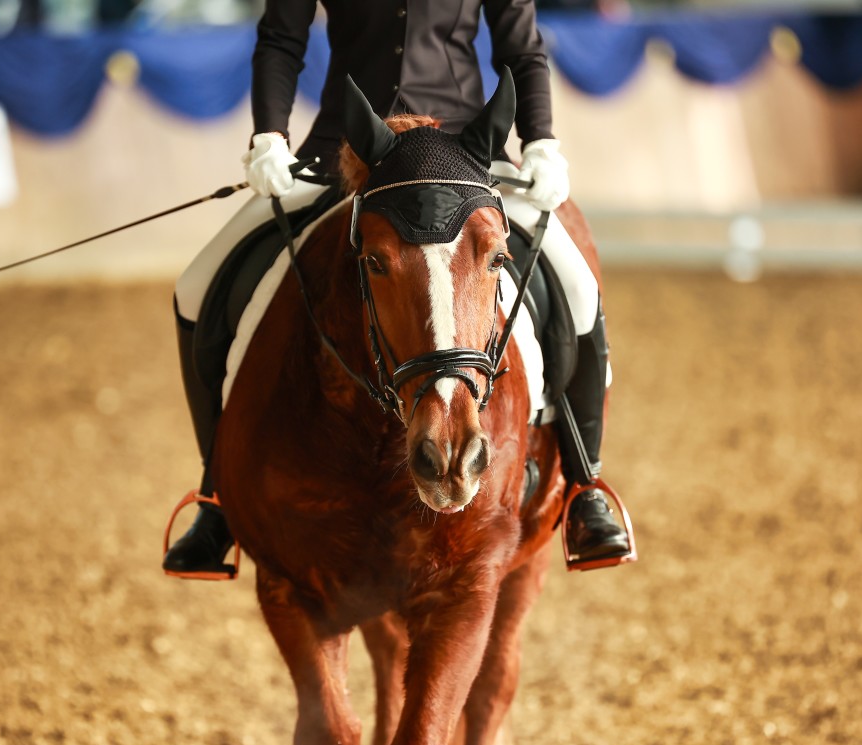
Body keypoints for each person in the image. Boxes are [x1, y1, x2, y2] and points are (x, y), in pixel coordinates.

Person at [164, 0, 632, 578]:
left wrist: (540, 143)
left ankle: (585, 486)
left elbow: (522, 47)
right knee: (197, 286)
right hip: (347, 148)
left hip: (464, 153)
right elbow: (281, 39)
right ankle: (217, 499)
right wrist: (270, 136)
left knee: (578, 289)